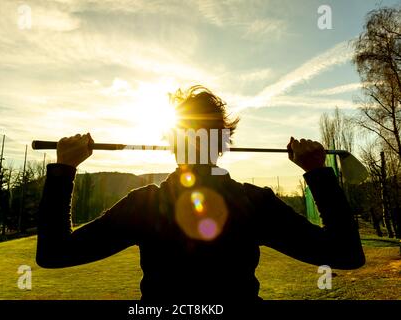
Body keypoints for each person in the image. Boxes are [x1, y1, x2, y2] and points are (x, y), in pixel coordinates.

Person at [36, 85, 365, 301]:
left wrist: (65, 168)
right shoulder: (253, 202)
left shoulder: (146, 205)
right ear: (223, 144)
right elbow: (346, 253)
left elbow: (54, 252)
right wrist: (317, 173)